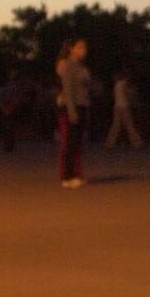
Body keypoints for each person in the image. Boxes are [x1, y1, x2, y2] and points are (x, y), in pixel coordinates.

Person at [56, 39, 92, 187]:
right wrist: (71, 112)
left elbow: (86, 85)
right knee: (68, 142)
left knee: (78, 142)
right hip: (68, 106)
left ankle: (76, 174)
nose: (83, 50)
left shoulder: (81, 66)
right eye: (80, 47)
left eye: (84, 47)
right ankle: (66, 176)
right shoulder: (66, 64)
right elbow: (68, 90)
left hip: (82, 104)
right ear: (71, 49)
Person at [104, 70, 143, 149]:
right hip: (124, 106)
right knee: (129, 125)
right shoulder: (124, 83)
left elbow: (114, 95)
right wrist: (132, 101)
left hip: (117, 106)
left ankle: (109, 144)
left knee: (116, 125)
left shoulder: (116, 85)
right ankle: (137, 143)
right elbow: (127, 94)